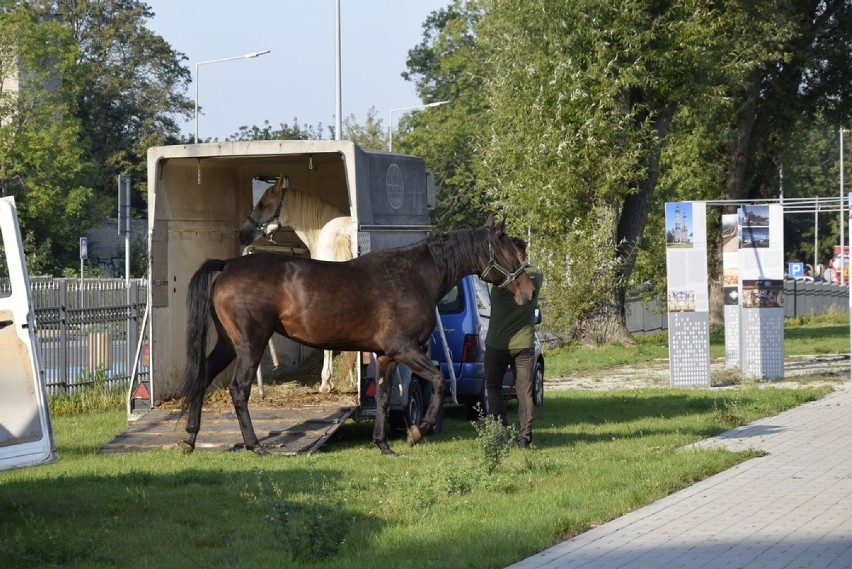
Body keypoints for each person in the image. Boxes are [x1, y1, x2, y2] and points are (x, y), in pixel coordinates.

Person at [484, 236, 543, 449]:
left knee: (493, 386)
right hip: (524, 343)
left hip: (497, 342)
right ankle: (525, 438)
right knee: (524, 392)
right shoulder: (536, 276)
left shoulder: (499, 280)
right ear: (524, 254)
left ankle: (502, 431)